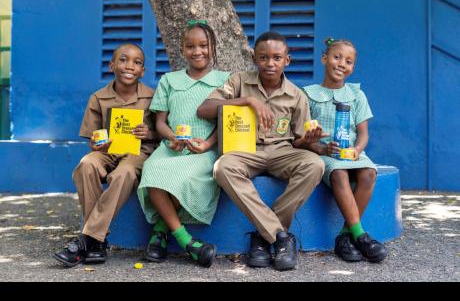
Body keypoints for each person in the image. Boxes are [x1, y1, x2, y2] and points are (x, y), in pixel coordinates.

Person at [197, 31, 326, 271]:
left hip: (281, 151)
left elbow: (298, 141)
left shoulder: (297, 95)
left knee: (315, 164)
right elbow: (205, 109)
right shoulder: (239, 81)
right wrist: (247, 101)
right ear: (254, 58)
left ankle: (262, 235)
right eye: (263, 57)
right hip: (245, 150)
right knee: (222, 167)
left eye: (277, 58)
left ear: (287, 60)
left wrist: (310, 140)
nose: (270, 63)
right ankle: (280, 237)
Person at [54, 43, 157, 267]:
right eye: (123, 59)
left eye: (137, 62)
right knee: (86, 165)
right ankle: (97, 241)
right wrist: (95, 142)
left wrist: (149, 132)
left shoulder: (152, 97)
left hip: (138, 152)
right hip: (108, 151)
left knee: (125, 173)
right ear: (111, 66)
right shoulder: (98, 98)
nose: (129, 66)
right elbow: (94, 138)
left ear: (143, 71)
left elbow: (161, 131)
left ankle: (88, 239)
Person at [137, 20, 230, 268]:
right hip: (172, 148)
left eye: (203, 45)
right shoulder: (169, 80)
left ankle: (160, 231)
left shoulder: (226, 80)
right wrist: (171, 138)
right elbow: (160, 123)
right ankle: (187, 241)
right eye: (190, 46)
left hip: (203, 150)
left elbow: (228, 122)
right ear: (182, 49)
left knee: (183, 179)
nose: (197, 51)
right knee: (153, 171)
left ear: (213, 47)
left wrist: (209, 144)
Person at [302, 37, 388, 263]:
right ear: (324, 59)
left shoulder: (357, 94)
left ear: (352, 68)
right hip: (326, 153)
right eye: (336, 57)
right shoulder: (309, 95)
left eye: (348, 61)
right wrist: (321, 147)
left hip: (352, 152)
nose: (341, 63)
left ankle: (344, 236)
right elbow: (302, 136)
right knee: (339, 174)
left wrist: (358, 149)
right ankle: (360, 235)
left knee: (368, 173)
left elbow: (363, 133)